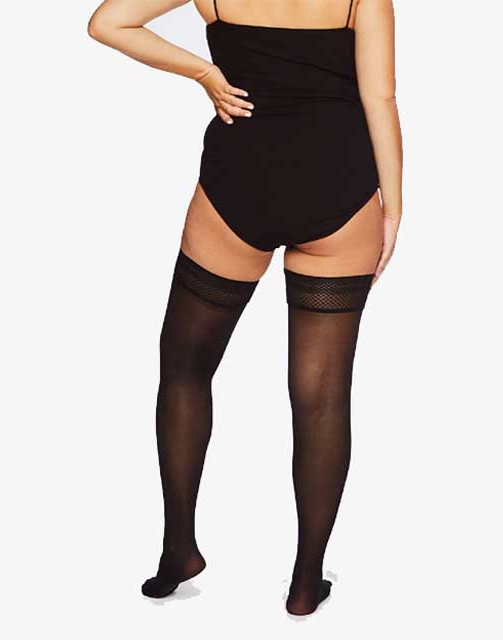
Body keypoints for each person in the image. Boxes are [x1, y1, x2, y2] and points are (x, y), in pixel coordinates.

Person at [88, 0, 403, 616]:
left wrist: (205, 74)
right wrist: (392, 206)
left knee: (185, 367)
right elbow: (381, 98)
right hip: (339, 189)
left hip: (239, 184)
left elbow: (107, 23)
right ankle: (305, 583)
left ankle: (178, 551)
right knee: (321, 395)